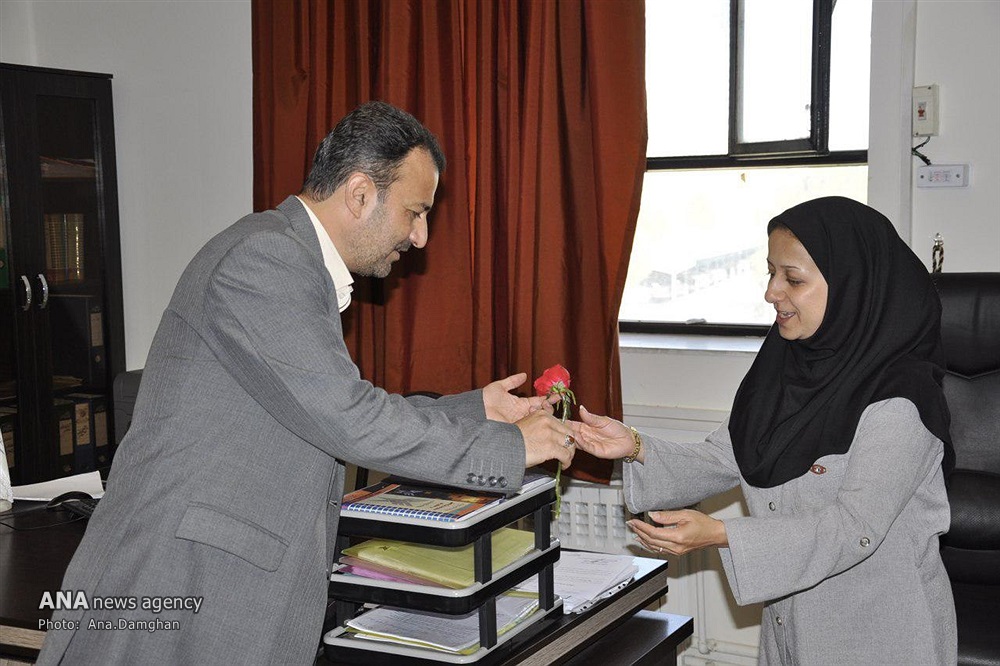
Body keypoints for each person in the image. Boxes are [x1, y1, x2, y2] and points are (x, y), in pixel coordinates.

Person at [37, 101, 576, 666]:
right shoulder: (265, 258)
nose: (420, 237)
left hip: (219, 580)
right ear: (360, 194)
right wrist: (508, 447)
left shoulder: (288, 260)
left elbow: (327, 411)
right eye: (415, 212)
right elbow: (350, 418)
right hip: (181, 577)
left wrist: (477, 411)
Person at [572, 197, 957, 665]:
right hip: (790, 621)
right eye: (771, 272)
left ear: (852, 286)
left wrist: (722, 534)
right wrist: (633, 446)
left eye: (793, 279)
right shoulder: (786, 365)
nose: (772, 292)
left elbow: (852, 528)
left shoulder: (901, 401)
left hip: (878, 632)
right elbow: (726, 456)